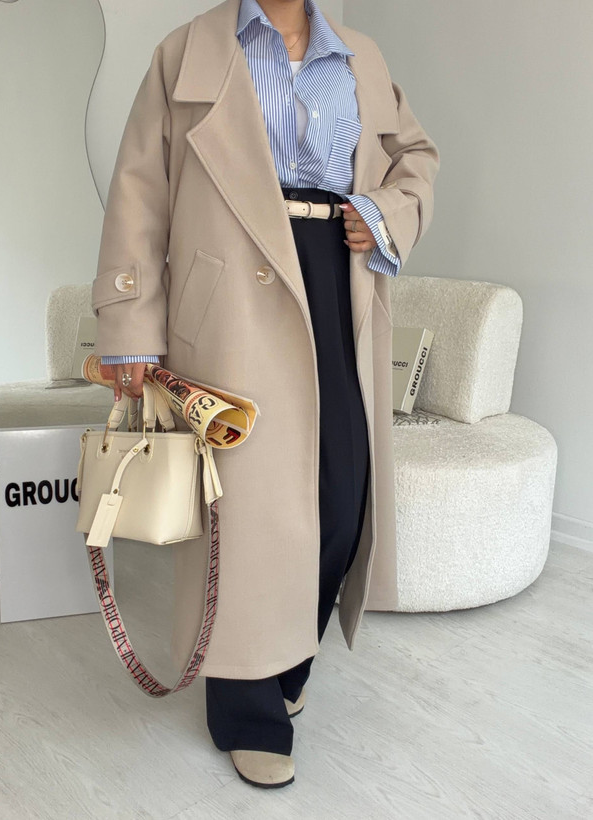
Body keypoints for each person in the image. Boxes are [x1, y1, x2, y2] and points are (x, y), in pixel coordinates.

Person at [93, 0, 439, 789]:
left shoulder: (358, 54)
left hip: (338, 272)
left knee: (341, 497)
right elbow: (140, 190)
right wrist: (130, 326)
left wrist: (383, 213)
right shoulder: (187, 49)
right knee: (245, 510)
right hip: (229, 289)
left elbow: (415, 154)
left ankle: (288, 654)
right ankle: (243, 705)